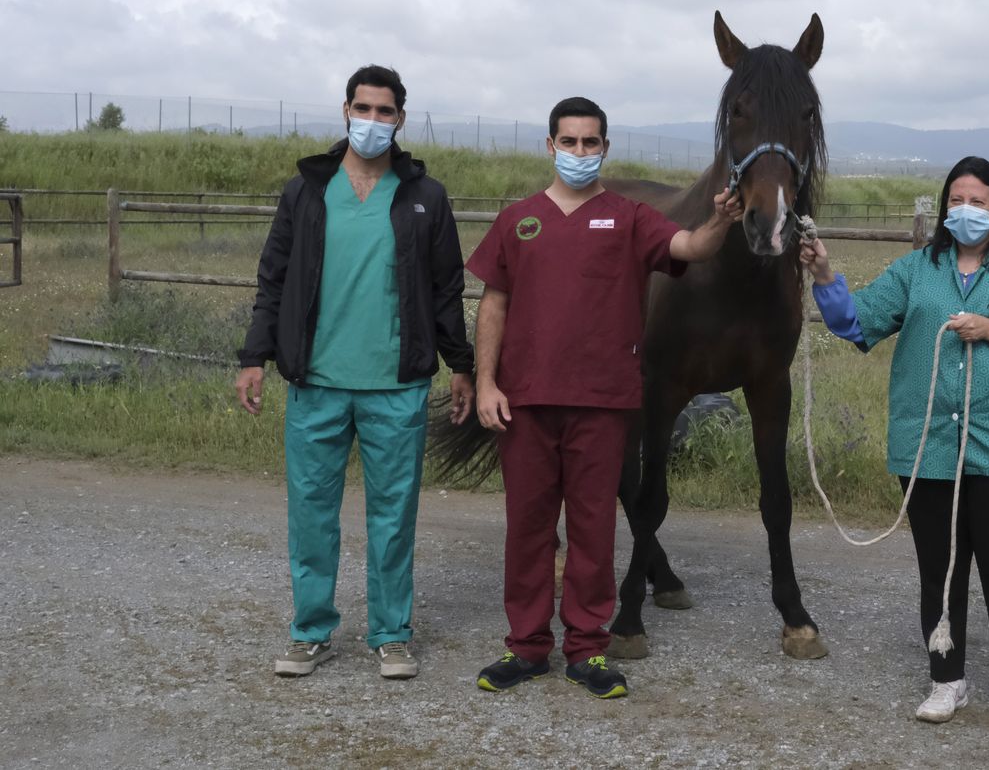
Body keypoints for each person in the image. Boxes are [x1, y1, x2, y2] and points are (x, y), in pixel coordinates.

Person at [468, 96, 742, 699]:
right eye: (570, 142)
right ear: (550, 146)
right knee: (529, 529)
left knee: (593, 529)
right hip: (527, 402)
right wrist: (486, 382)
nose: (581, 153)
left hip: (602, 401)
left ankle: (587, 649)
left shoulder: (630, 218)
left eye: (592, 143)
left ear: (606, 149)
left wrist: (721, 220)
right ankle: (526, 647)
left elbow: (690, 249)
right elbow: (494, 303)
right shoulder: (519, 220)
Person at [800, 156, 989, 733]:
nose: (966, 211)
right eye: (956, 200)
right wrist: (826, 275)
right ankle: (946, 679)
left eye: (978, 202)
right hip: (928, 446)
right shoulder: (915, 271)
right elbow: (858, 323)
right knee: (940, 567)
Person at [235, 65, 475, 680]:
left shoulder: (426, 196)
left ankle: (391, 634)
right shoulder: (307, 191)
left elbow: (447, 289)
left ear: (400, 118)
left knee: (393, 515)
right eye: (363, 108)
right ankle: (310, 632)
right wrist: (253, 358)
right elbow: (274, 277)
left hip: (397, 385)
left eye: (385, 111)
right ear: (346, 111)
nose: (373, 120)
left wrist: (462, 367)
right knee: (311, 510)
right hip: (315, 381)